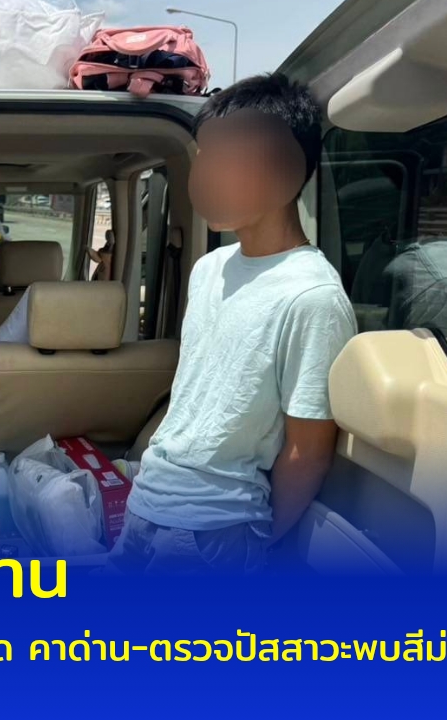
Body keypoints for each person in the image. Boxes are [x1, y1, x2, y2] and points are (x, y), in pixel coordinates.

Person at [107, 74, 357, 575]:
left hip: (214, 531)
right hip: (147, 503)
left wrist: (256, 544)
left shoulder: (312, 296)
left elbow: (308, 451)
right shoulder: (210, 267)